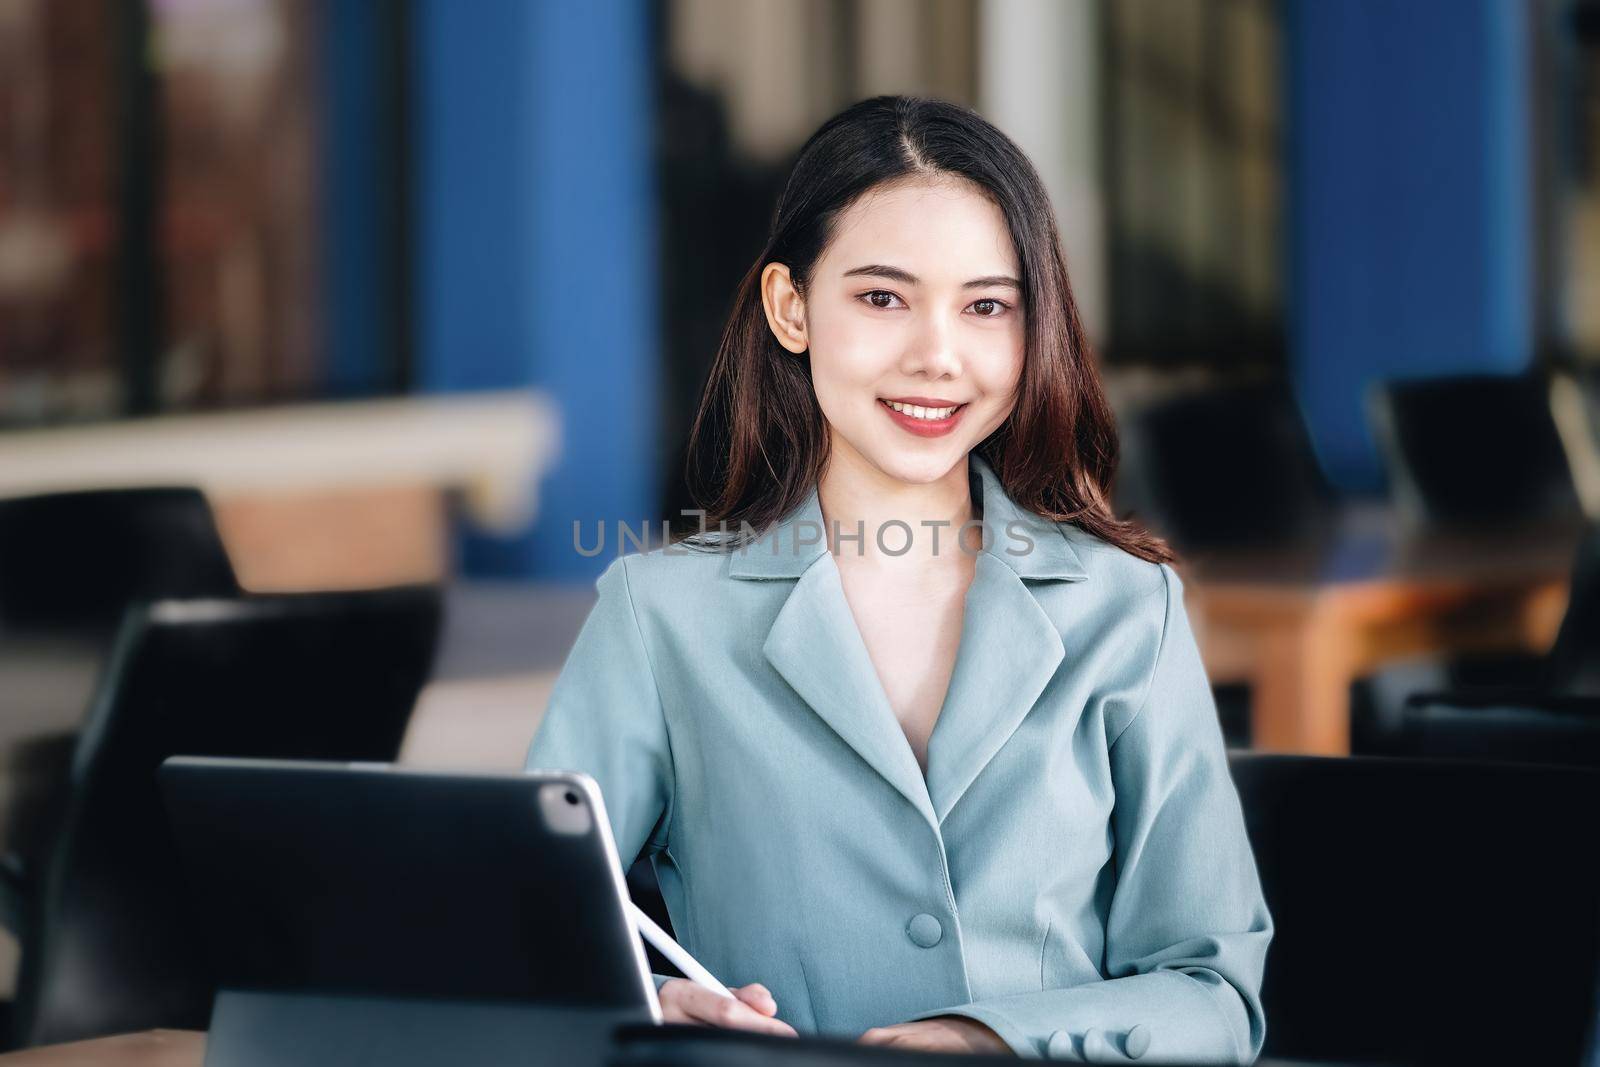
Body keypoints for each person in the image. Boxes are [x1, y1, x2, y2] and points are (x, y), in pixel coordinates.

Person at [526, 95, 1272, 1063]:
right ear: (790, 308)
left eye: (986, 306)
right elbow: (530, 927)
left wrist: (986, 1037)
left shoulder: (1126, 607)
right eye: (882, 297)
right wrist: (655, 1000)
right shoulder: (660, 613)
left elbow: (1214, 989)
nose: (938, 356)